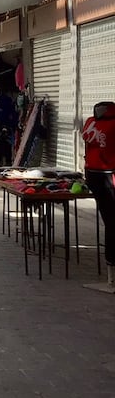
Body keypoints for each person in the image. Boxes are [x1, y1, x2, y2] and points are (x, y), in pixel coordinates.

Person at [82, 102, 115, 282]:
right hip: (108, 175)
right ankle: (111, 261)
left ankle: (110, 264)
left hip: (93, 174)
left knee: (109, 220)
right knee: (112, 221)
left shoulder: (90, 122)